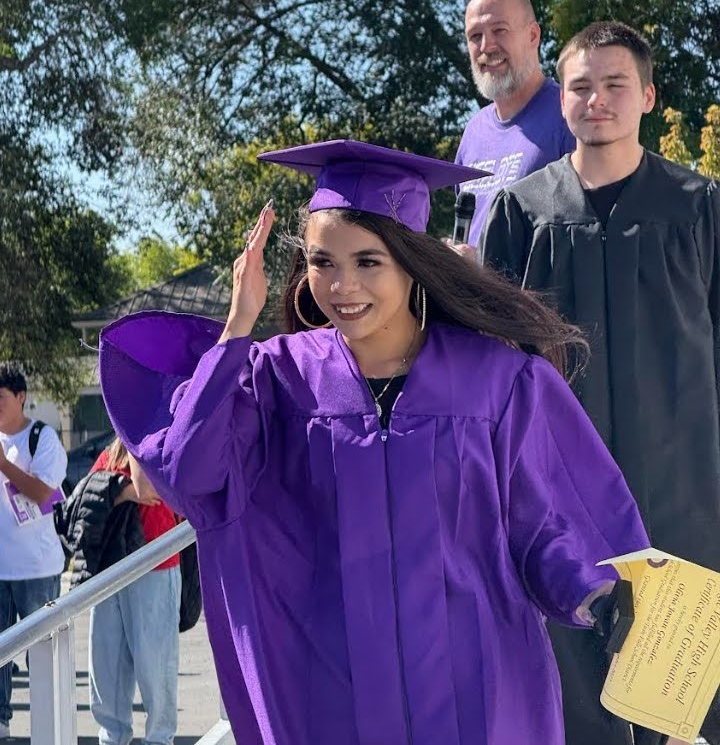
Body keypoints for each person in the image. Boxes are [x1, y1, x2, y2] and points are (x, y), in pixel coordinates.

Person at [98, 139, 649, 745]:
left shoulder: (497, 382)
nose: (342, 286)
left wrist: (598, 594)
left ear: (410, 262)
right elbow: (188, 473)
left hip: (477, 691)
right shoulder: (276, 380)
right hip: (333, 696)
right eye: (322, 262)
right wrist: (237, 327)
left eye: (368, 261)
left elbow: (548, 524)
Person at [481, 21, 720, 745]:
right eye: (581, 86)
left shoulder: (699, 205)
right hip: (557, 485)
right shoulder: (524, 211)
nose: (597, 100)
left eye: (616, 84)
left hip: (684, 480)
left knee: (680, 697)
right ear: (562, 99)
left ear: (647, 95)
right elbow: (494, 362)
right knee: (571, 681)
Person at [72, 437, 182, 745]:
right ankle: (113, 738)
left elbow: (145, 488)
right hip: (112, 569)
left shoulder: (154, 443)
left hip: (155, 565)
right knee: (107, 670)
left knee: (155, 668)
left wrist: (121, 489)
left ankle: (159, 740)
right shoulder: (111, 452)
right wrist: (121, 492)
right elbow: (89, 495)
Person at [453, 0, 575, 253]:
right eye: (475, 36)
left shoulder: (570, 115)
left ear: (533, 35)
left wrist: (483, 264)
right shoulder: (474, 131)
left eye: (499, 30)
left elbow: (586, 237)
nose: (486, 46)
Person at [0, 364, 67, 740]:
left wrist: (4, 464)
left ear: (21, 397)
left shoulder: (43, 438)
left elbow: (43, 493)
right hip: (1, 569)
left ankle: (49, 727)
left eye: (0, 398)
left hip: (37, 569)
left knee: (42, 653)